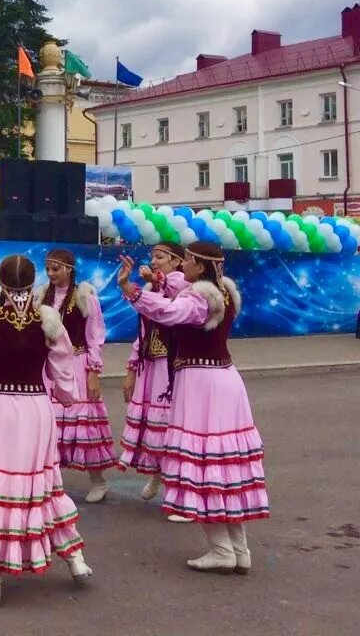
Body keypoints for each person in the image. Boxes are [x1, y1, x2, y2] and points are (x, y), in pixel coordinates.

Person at [0, 254, 93, 607]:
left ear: (1, 283)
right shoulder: (47, 320)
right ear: (32, 281)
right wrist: (69, 397)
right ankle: (75, 558)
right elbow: (64, 370)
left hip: (0, 410)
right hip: (37, 408)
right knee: (41, 483)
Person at [117, 242, 268, 573]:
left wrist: (130, 289)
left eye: (186, 260)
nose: (182, 264)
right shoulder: (222, 292)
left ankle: (221, 550)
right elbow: (177, 289)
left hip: (201, 384)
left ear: (199, 266)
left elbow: (168, 312)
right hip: (225, 380)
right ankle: (239, 550)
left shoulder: (199, 299)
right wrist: (157, 278)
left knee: (203, 464)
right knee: (226, 466)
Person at [39, 248, 116, 503]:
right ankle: (50, 482)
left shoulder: (84, 297)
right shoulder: (42, 297)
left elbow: (95, 335)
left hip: (77, 363)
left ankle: (99, 481)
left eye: (56, 268)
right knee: (50, 426)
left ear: (69, 269)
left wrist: (94, 371)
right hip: (50, 367)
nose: (51, 273)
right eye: (48, 268)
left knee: (86, 427)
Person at [119, 241, 187, 502]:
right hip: (151, 365)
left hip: (173, 366)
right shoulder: (151, 287)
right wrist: (131, 369)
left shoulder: (183, 286)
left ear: (177, 262)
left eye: (160, 257)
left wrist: (157, 279)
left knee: (171, 424)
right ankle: (157, 475)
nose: (155, 261)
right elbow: (143, 332)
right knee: (156, 426)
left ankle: (177, 488)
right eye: (153, 257)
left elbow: (171, 295)